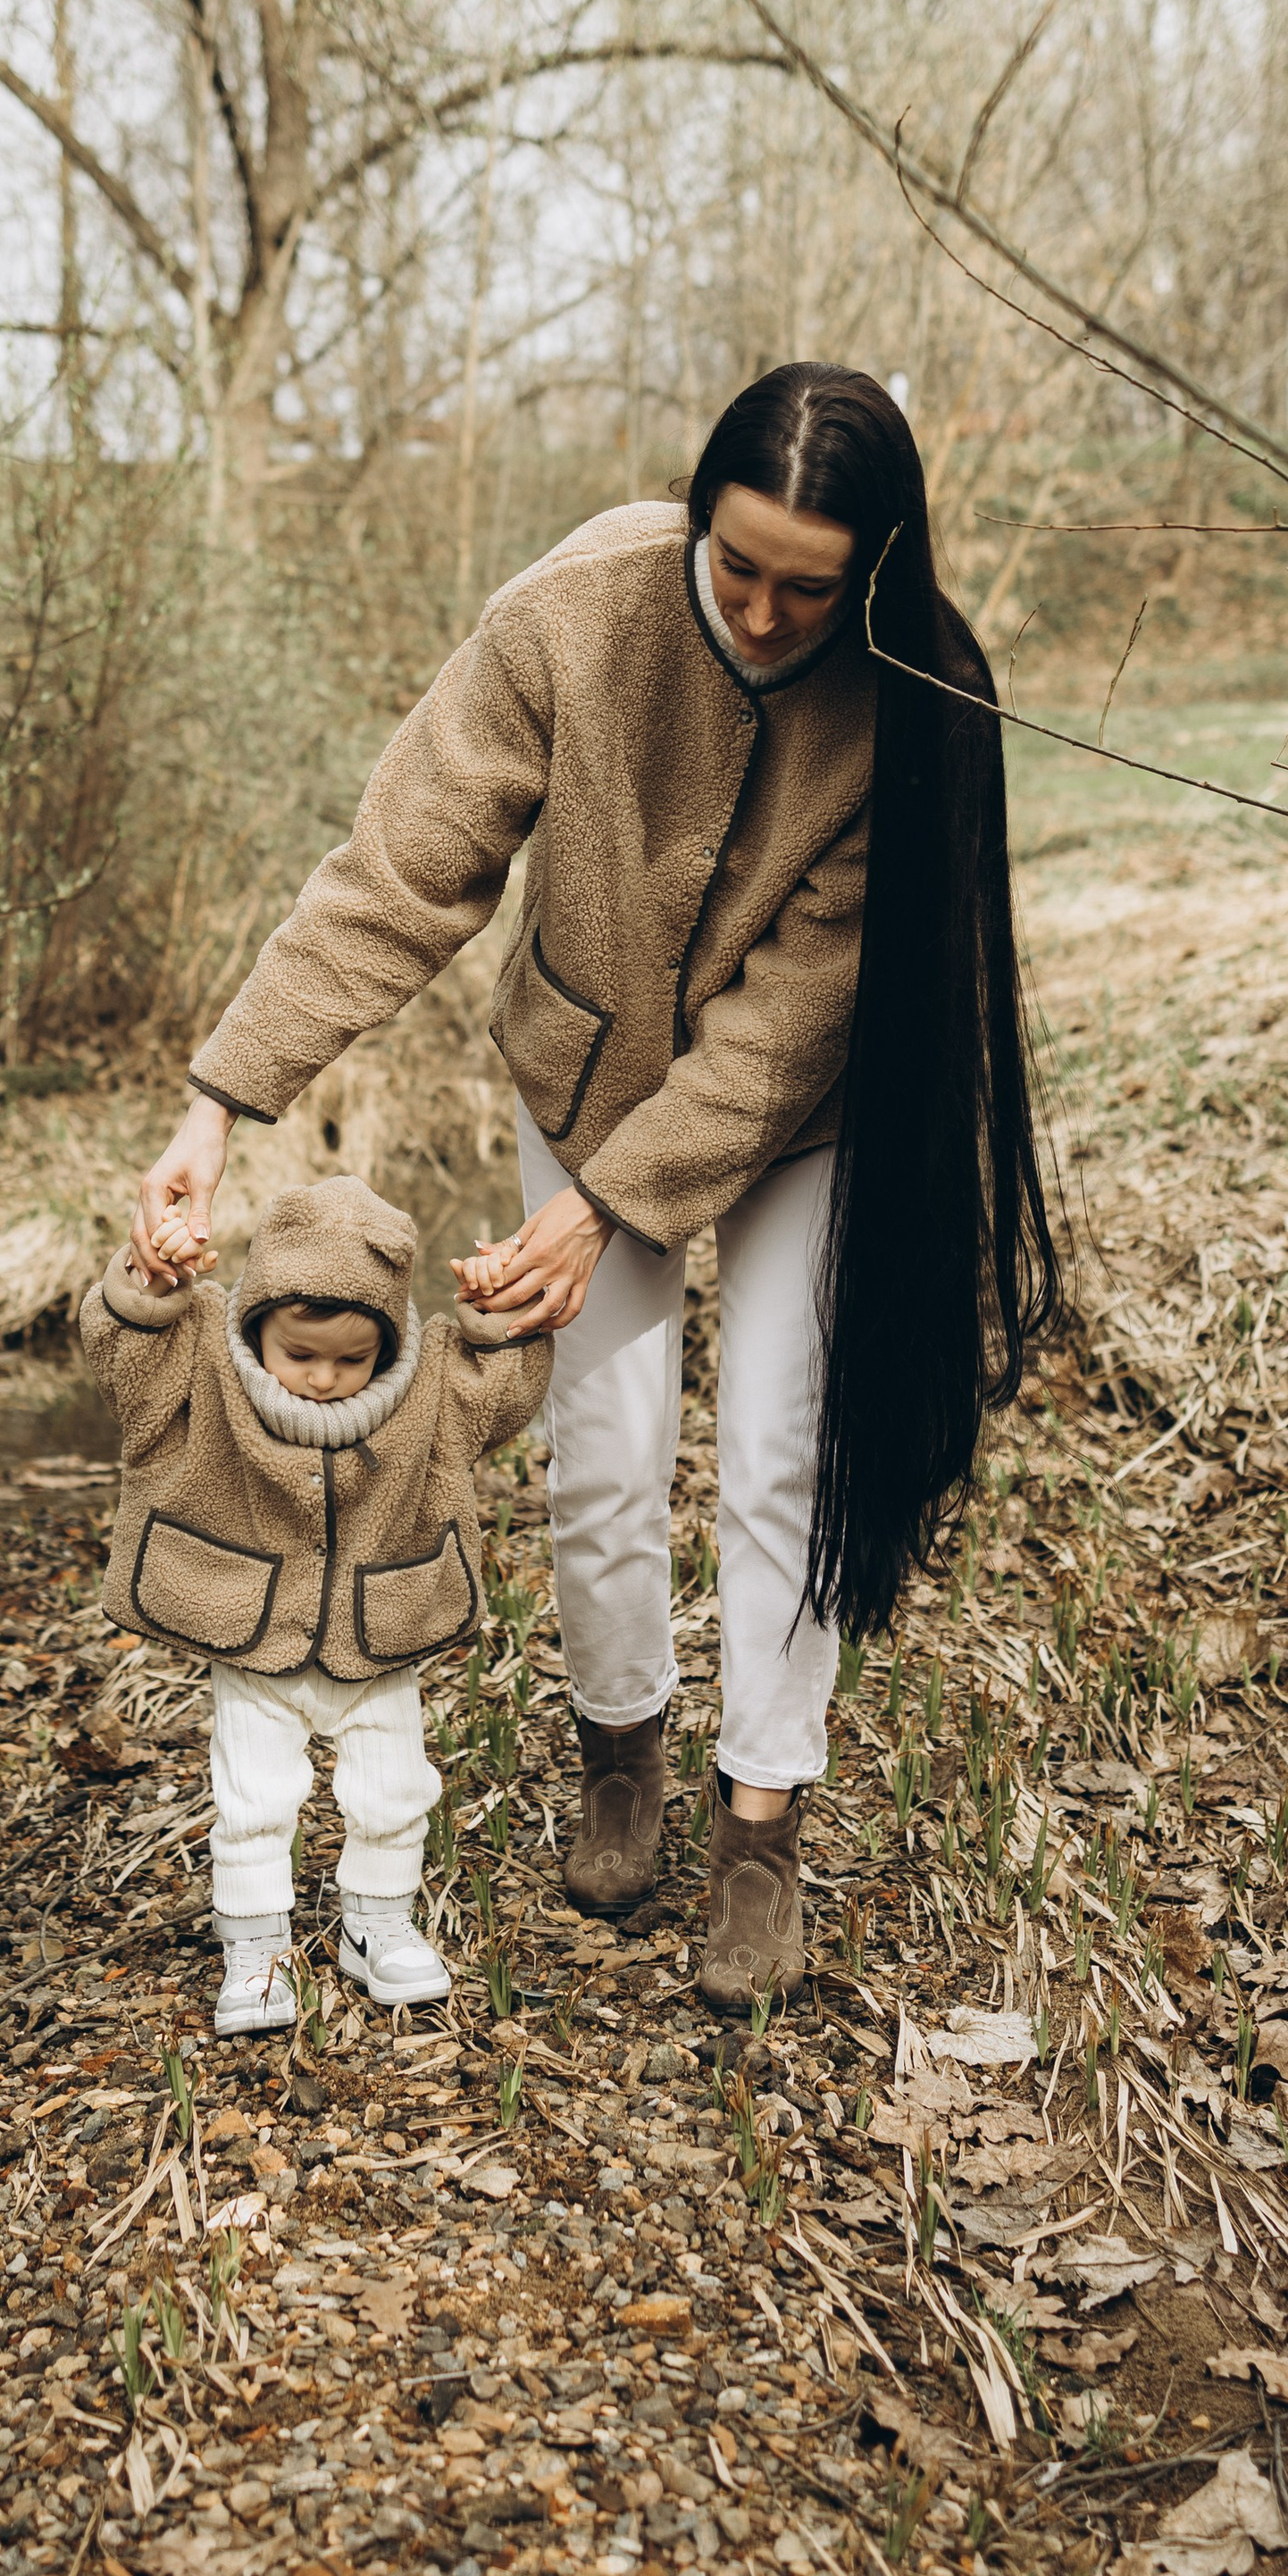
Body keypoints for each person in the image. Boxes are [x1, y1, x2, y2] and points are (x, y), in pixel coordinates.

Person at [131, 362, 1058, 2011]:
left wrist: (618, 1205)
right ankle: (619, 1748)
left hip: (806, 1114)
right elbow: (401, 873)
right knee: (606, 1450)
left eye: (808, 588)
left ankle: (760, 1826)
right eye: (736, 565)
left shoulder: (912, 687)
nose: (762, 614)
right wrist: (223, 1099)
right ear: (694, 517)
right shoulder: (568, 615)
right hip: (581, 1074)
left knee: (779, 1452)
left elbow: (790, 1018)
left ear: (875, 570)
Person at [81, 1172, 549, 2035]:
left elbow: (503, 1396)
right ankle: (256, 1947)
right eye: (299, 1355)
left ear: (389, 1344)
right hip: (249, 1627)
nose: (324, 1379)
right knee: (253, 1798)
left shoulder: (430, 1387)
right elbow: (124, 1368)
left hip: (382, 1626)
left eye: (351, 1360)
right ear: (257, 1324)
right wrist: (149, 1290)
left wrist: (494, 1319)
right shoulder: (200, 1361)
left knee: (395, 1790)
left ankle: (379, 1925)